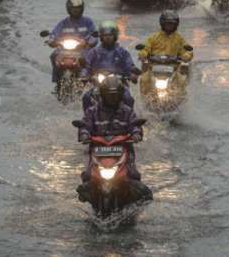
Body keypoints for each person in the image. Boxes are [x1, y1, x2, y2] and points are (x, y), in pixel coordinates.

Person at [75, 74, 152, 204]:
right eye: (110, 95)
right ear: (103, 95)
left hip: (123, 149)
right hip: (98, 150)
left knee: (133, 175)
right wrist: (84, 134)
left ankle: (137, 200)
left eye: (115, 95)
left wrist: (136, 134)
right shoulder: (93, 111)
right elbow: (85, 125)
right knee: (88, 176)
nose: (112, 98)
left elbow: (134, 125)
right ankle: (91, 196)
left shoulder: (127, 111)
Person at [81, 21, 138, 108]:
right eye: (105, 35)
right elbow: (86, 66)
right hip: (99, 84)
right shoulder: (94, 52)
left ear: (115, 36)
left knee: (128, 98)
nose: (107, 37)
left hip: (119, 85)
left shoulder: (122, 51)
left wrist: (132, 74)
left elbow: (129, 65)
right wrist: (84, 75)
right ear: (101, 37)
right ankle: (87, 119)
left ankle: (130, 119)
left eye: (110, 35)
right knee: (86, 98)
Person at [47, 0, 97, 90]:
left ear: (82, 8)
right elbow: (54, 33)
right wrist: (52, 40)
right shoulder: (63, 23)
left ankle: (90, 80)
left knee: (91, 58)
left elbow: (94, 35)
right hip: (65, 51)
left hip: (83, 50)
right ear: (68, 9)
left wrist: (88, 41)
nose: (76, 10)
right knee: (53, 55)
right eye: (73, 8)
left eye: (78, 8)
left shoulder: (88, 22)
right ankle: (56, 79)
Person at [138, 11, 193, 93]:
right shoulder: (153, 37)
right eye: (168, 24)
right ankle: (146, 99)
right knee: (144, 79)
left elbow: (187, 51)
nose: (170, 26)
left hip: (173, 68)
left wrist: (186, 55)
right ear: (162, 24)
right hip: (154, 67)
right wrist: (143, 54)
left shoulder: (179, 39)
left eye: (172, 24)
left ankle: (180, 101)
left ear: (176, 25)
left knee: (181, 81)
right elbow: (145, 48)